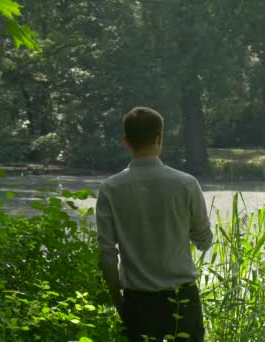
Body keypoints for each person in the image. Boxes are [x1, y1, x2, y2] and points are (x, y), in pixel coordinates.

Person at [96, 107, 213, 341]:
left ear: (126, 141)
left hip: (138, 301)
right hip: (182, 298)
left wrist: (118, 300)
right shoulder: (186, 184)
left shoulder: (110, 189)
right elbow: (204, 241)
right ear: (160, 137)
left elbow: (107, 255)